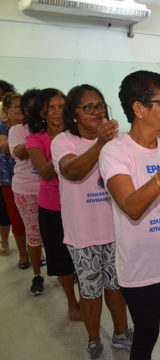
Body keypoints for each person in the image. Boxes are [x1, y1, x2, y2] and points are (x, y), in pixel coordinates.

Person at [99, 70, 160, 360]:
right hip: (142, 266)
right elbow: (131, 205)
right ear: (139, 109)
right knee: (147, 333)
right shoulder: (116, 151)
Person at [52, 84, 132, 359]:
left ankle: (121, 333)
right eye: (89, 107)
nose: (97, 111)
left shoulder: (117, 140)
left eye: (100, 105)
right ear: (73, 115)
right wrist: (100, 144)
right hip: (83, 234)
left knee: (116, 286)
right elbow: (72, 171)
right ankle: (94, 339)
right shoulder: (63, 141)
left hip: (115, 230)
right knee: (90, 291)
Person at [26, 88, 81, 320]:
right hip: (53, 207)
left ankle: (86, 295)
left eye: (62, 106)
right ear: (42, 113)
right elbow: (46, 173)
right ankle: (72, 301)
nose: (58, 112)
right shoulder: (35, 139)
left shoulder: (76, 134)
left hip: (79, 204)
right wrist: (60, 147)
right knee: (61, 259)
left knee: (81, 255)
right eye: (52, 108)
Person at [8, 89, 47, 293]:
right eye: (32, 107)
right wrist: (35, 135)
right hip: (27, 190)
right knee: (34, 235)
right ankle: (37, 276)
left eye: (41, 105)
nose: (38, 110)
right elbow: (19, 153)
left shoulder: (52, 127)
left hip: (52, 188)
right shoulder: (16, 130)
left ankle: (68, 270)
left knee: (61, 233)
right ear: (24, 110)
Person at [0, 92, 29, 269]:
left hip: (34, 178)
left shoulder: (31, 126)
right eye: (16, 106)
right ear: (7, 111)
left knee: (33, 220)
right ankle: (23, 254)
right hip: (9, 181)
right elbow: (4, 146)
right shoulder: (2, 127)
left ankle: (36, 250)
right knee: (16, 218)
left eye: (23, 106)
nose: (20, 109)